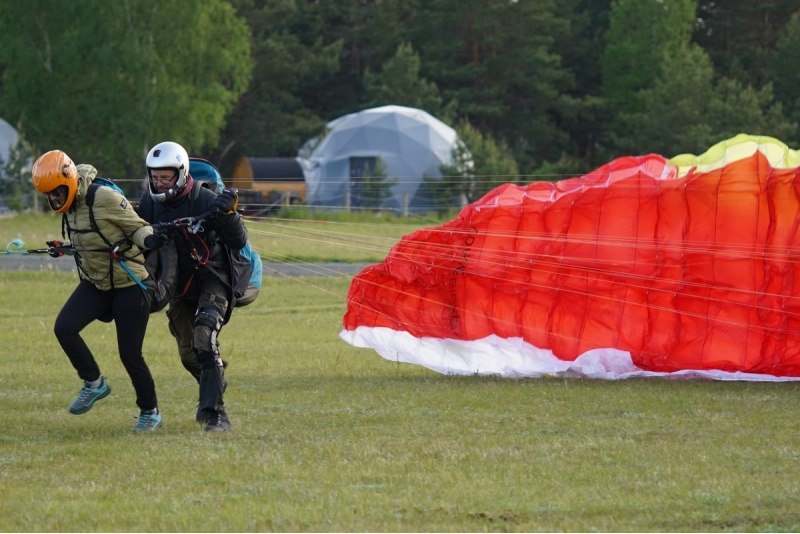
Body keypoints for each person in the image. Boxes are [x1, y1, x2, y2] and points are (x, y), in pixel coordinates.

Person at [31, 149, 169, 431]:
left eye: (56, 192)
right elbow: (90, 241)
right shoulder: (68, 207)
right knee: (64, 327)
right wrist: (65, 249)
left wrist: (151, 240)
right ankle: (94, 383)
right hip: (97, 284)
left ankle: (150, 412)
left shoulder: (103, 197)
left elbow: (137, 227)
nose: (54, 199)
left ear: (69, 181)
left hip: (131, 284)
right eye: (48, 195)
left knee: (129, 354)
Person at [136, 141, 250, 432]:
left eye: (166, 177)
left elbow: (239, 241)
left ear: (182, 173)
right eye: (155, 176)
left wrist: (228, 215)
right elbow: (136, 238)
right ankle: (214, 377)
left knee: (204, 335)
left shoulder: (204, 199)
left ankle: (215, 414)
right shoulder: (148, 204)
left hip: (214, 276)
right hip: (179, 284)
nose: (159, 182)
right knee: (190, 354)